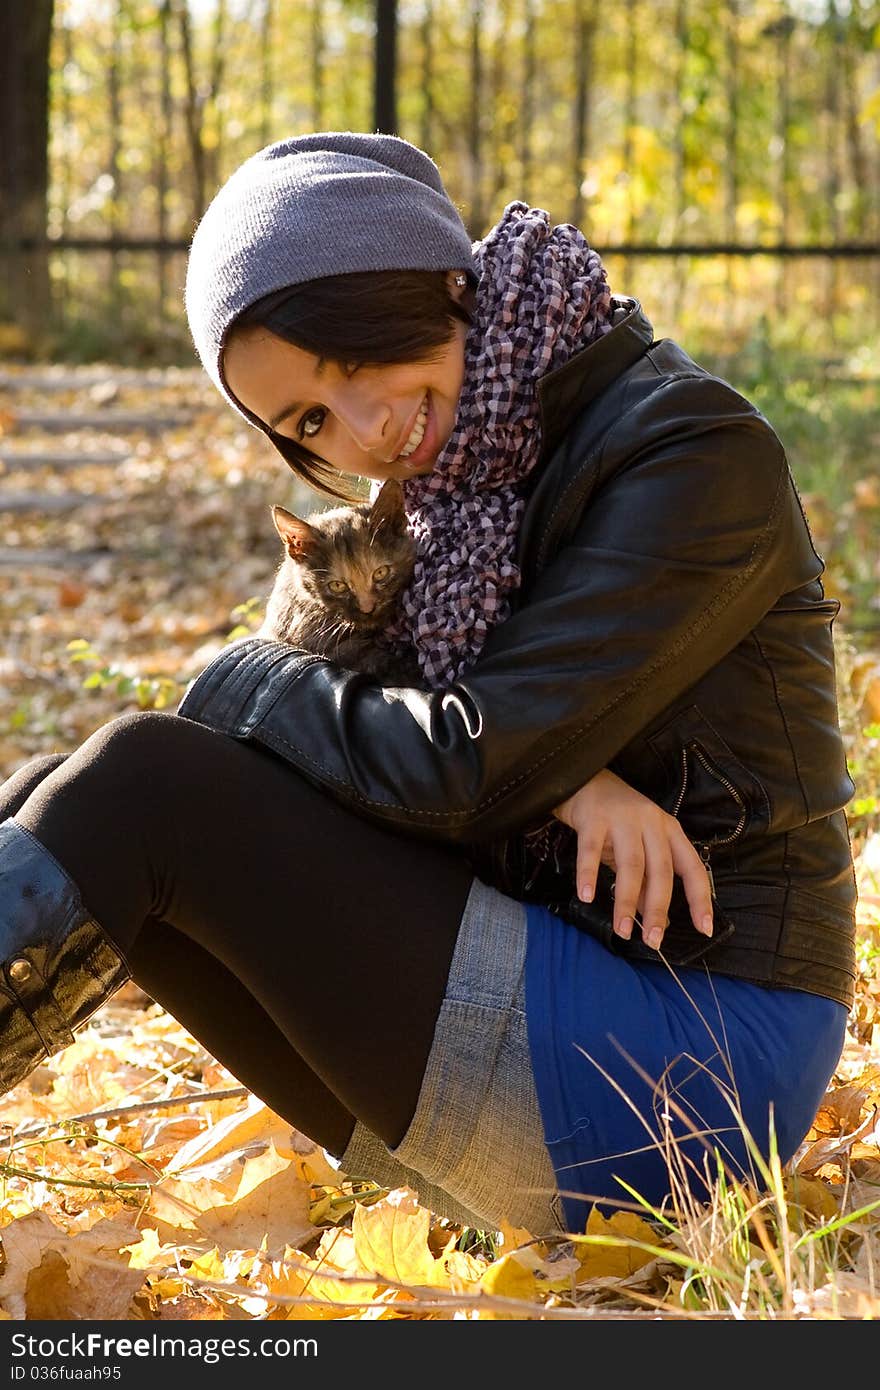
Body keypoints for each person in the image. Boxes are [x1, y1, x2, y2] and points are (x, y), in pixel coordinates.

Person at [0, 132, 857, 1237]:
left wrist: (232, 675)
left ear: (435, 279)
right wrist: (562, 773)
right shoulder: (456, 501)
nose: (366, 434)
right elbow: (473, 755)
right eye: (308, 421)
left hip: (698, 1064)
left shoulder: (687, 452)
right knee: (56, 792)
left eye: (354, 360)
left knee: (143, 782)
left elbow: (462, 767)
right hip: (560, 985)